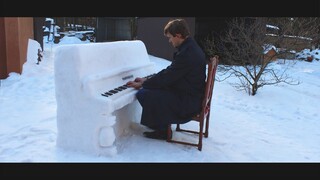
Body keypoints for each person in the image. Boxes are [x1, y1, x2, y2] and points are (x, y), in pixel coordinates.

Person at [126, 19, 207, 140]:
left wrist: (144, 84)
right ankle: (157, 123)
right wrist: (146, 81)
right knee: (152, 90)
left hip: (187, 102)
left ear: (178, 35)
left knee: (144, 94)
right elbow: (171, 72)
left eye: (170, 37)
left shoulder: (187, 53)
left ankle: (162, 130)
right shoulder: (191, 47)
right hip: (190, 95)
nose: (169, 41)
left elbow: (167, 77)